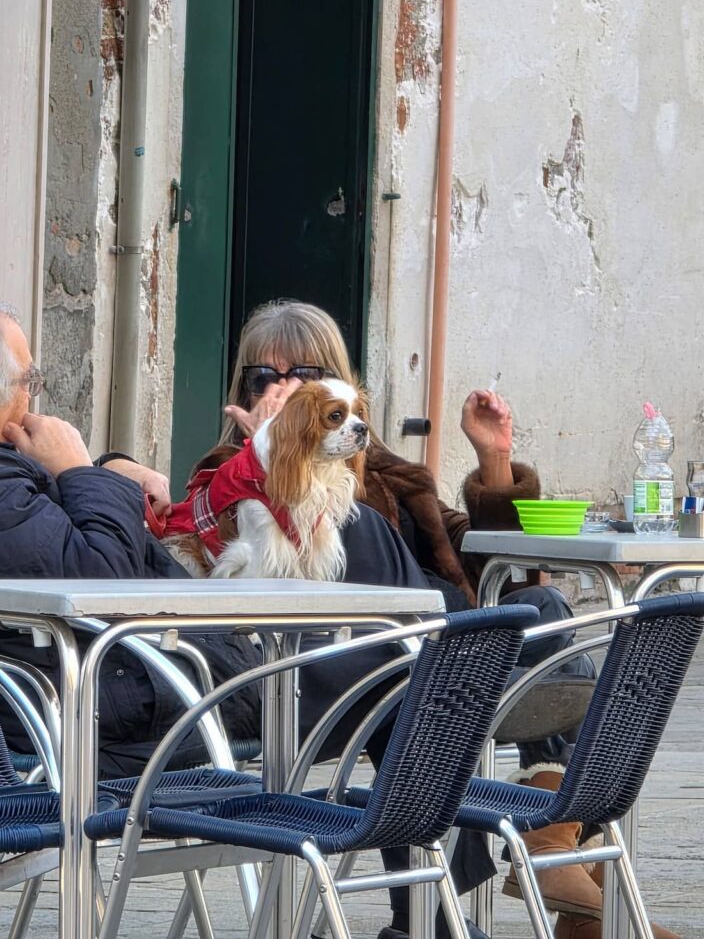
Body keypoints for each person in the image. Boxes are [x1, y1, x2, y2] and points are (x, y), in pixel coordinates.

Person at [0, 290, 490, 939]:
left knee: (406, 669)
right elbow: (99, 578)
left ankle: (420, 915)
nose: (36, 395)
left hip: (143, 680)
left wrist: (96, 476)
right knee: (408, 684)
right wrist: (84, 473)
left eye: (305, 379)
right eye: (28, 380)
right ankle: (429, 920)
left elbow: (76, 559)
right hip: (124, 703)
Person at [213, 299, 679, 939]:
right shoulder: (223, 478)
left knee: (540, 609)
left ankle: (549, 831)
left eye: (304, 375)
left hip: (420, 663)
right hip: (311, 677)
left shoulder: (392, 476)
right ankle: (494, 901)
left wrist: (493, 463)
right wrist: (272, 458)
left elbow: (501, 575)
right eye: (263, 379)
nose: (282, 390)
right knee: (419, 683)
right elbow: (224, 569)